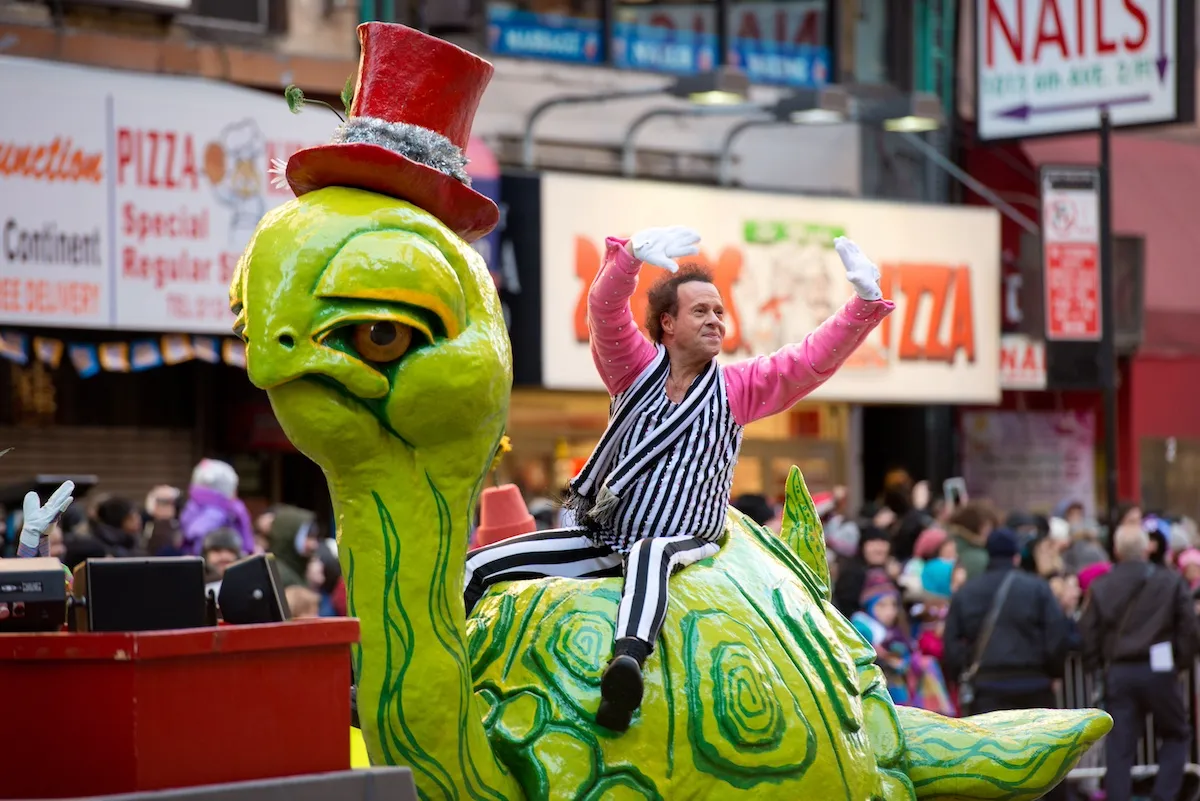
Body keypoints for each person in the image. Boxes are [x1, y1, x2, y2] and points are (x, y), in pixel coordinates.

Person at [463, 226, 893, 731]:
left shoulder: (738, 388)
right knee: (477, 566)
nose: (716, 320)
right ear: (667, 323)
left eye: (719, 312)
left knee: (651, 551)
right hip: (603, 536)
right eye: (701, 311)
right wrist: (626, 264)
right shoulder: (631, 369)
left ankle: (626, 665)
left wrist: (863, 305)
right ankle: (435, 671)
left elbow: (808, 362)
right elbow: (604, 313)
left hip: (686, 538)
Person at [943, 526, 1071, 800]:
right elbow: (1057, 635)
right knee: (1045, 759)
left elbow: (951, 646)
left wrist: (964, 675)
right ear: (1016, 556)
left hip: (987, 689)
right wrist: (1053, 672)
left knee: (991, 765)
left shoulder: (967, 592)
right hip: (1034, 687)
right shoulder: (1036, 587)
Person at [1079, 524, 1200, 801]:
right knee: (1176, 733)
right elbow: (1189, 628)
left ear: (1117, 551)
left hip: (1120, 671)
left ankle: (1118, 796)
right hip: (1160, 669)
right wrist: (1179, 663)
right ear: (1146, 548)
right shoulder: (1169, 581)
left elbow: (1089, 632)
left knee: (1120, 744)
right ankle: (1164, 795)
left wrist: (1098, 666)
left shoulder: (1101, 586)